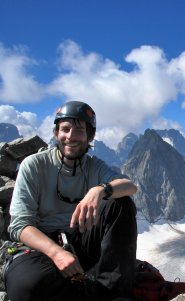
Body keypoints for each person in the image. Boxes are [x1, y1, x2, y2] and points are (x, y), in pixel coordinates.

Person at [6, 101, 138, 300]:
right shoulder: (33, 165)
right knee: (27, 286)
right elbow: (20, 226)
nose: (70, 137)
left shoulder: (94, 167)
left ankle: (113, 293)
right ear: (56, 133)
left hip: (80, 240)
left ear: (89, 136)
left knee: (121, 203)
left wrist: (100, 190)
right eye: (65, 129)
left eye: (78, 130)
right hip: (40, 246)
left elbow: (130, 186)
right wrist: (57, 253)